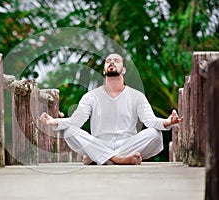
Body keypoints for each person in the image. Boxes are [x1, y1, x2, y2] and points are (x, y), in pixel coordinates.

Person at [39, 53, 183, 165]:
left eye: (116, 60)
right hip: (99, 143)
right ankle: (118, 159)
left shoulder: (137, 96)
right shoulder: (91, 97)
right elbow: (76, 121)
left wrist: (167, 122)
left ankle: (99, 158)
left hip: (128, 144)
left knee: (155, 134)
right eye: (108, 61)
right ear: (104, 70)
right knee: (70, 131)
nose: (112, 62)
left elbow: (151, 121)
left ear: (124, 69)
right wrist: (54, 122)